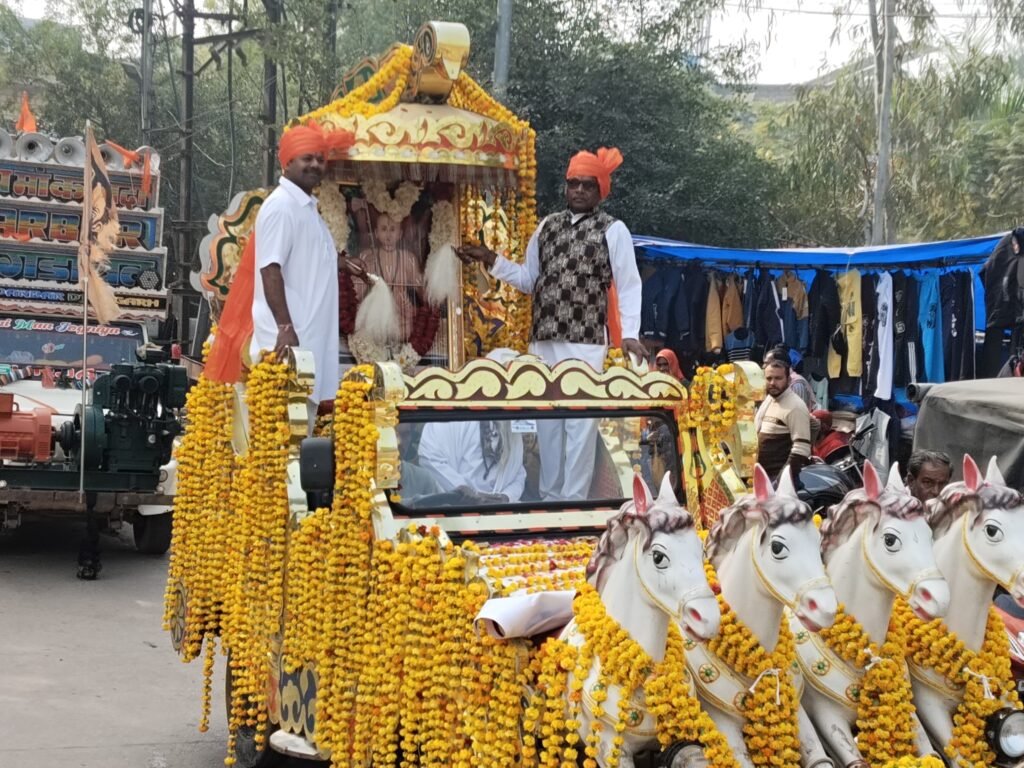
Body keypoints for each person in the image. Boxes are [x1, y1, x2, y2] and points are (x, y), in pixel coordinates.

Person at [457, 147, 644, 500]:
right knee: (547, 423)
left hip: (585, 341)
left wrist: (630, 333)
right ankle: (549, 500)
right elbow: (529, 279)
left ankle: (572, 504)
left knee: (579, 425)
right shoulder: (546, 226)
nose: (578, 191)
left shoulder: (613, 230)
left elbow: (629, 282)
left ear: (600, 190)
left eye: (587, 185)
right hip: (543, 341)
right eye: (573, 183)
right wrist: (491, 260)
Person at [205, 122, 355, 412]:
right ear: (287, 161)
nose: (314, 165)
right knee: (284, 444)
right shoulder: (281, 207)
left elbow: (310, 257)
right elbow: (269, 268)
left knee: (300, 443)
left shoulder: (307, 209)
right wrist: (284, 327)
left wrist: (344, 264)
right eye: (306, 158)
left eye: (320, 160)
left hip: (307, 347)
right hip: (288, 346)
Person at [342, 210, 424, 342]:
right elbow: (355, 292)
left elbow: (422, 291)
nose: (388, 235)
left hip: (402, 314)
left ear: (400, 234)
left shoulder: (409, 258)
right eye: (384, 229)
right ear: (376, 233)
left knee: (406, 332)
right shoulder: (367, 256)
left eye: (393, 229)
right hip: (375, 313)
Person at [755, 358, 812, 481]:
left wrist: (781, 481)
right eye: (769, 378)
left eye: (778, 378)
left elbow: (801, 449)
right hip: (762, 476)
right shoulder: (769, 400)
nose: (772, 383)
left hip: (778, 480)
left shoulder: (795, 406)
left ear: (789, 380)